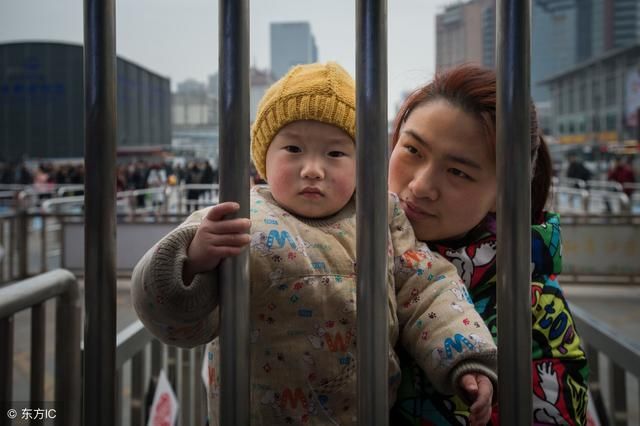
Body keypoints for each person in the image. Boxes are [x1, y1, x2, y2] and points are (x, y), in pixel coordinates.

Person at [131, 62, 498, 425]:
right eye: (293, 149)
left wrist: (463, 355)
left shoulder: (380, 217)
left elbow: (428, 287)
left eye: (335, 154)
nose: (312, 169)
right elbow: (171, 322)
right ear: (264, 157)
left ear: (362, 164)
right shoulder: (238, 218)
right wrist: (193, 260)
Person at [388, 64, 589, 425]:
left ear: (504, 193)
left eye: (458, 172)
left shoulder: (531, 306)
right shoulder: (336, 244)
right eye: (413, 150)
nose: (420, 186)